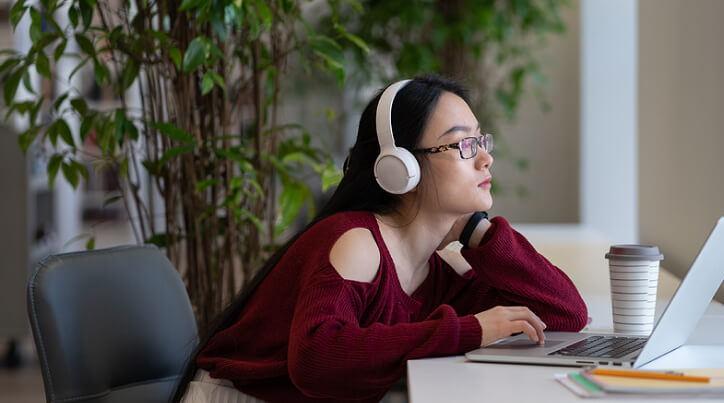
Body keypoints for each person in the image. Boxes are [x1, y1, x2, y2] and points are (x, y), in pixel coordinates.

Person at [174, 74, 587, 403]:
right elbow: (316, 360)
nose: (485, 157)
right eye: (463, 143)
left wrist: (478, 232)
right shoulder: (356, 243)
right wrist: (469, 330)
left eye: (480, 139)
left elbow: (565, 313)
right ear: (400, 167)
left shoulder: (432, 272)